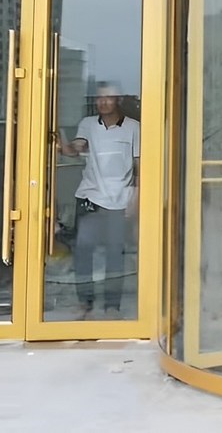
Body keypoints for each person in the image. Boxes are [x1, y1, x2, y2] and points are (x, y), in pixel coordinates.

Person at [59, 81, 140, 319]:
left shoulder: (134, 127)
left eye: (109, 97)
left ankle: (112, 307)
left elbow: (140, 167)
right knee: (83, 250)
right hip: (90, 196)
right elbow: (76, 147)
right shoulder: (88, 124)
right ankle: (84, 303)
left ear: (118, 100)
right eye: (99, 98)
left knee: (115, 253)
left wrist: (136, 197)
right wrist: (63, 143)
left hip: (120, 199)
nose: (103, 102)